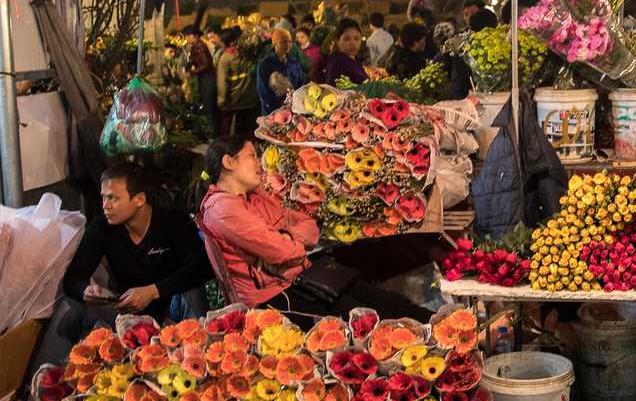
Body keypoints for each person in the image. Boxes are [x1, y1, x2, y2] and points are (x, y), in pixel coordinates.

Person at [195, 137, 432, 327]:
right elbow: (281, 251)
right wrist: (290, 242)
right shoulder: (222, 209)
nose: (259, 164)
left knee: (389, 303)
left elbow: (308, 224)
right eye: (251, 156)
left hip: (302, 277)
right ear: (229, 162)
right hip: (275, 298)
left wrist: (290, 238)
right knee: (371, 321)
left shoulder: (255, 195)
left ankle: (447, 327)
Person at [31, 163, 213, 370]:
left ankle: (201, 366)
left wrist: (153, 291)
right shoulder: (101, 227)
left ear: (139, 200)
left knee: (191, 291)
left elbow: (203, 267)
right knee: (70, 306)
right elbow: (74, 277)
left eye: (113, 198)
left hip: (170, 312)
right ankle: (43, 384)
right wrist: (86, 291)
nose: (105, 205)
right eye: (103, 197)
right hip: (126, 313)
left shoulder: (173, 222)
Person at [216, 27, 257, 136]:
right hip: (249, 98)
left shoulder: (225, 58)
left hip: (233, 100)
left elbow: (222, 82)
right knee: (248, 129)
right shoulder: (248, 54)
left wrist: (221, 101)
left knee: (229, 128)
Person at [257, 28, 304, 115]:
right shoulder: (265, 64)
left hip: (293, 110)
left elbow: (300, 85)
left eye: (290, 42)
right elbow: (263, 91)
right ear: (274, 43)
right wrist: (279, 105)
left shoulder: (294, 63)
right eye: (283, 42)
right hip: (273, 112)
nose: (288, 45)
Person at [314, 19, 367, 85]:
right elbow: (331, 90)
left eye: (356, 38)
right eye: (347, 39)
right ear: (337, 40)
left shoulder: (355, 59)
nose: (353, 43)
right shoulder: (337, 62)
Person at [183, 25, 216, 124]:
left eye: (188, 36)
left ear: (195, 36)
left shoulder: (199, 46)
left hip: (207, 80)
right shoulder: (197, 46)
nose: (186, 38)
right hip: (206, 79)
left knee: (207, 108)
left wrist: (192, 72)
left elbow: (205, 64)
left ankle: (211, 134)